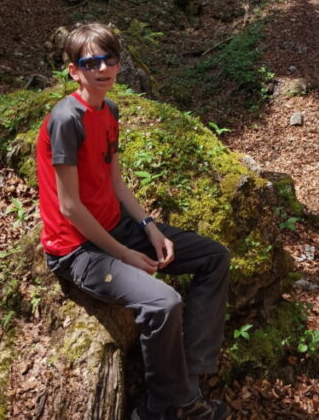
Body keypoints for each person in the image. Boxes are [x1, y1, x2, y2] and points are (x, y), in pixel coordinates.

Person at [36, 22, 231, 420]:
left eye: (109, 59)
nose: (102, 68)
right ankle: (162, 406)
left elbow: (115, 181)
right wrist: (125, 254)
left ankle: (190, 379)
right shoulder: (66, 120)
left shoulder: (109, 110)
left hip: (117, 228)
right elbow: (70, 207)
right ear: (74, 70)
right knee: (164, 302)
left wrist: (150, 228)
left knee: (214, 257)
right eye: (90, 62)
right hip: (77, 249)